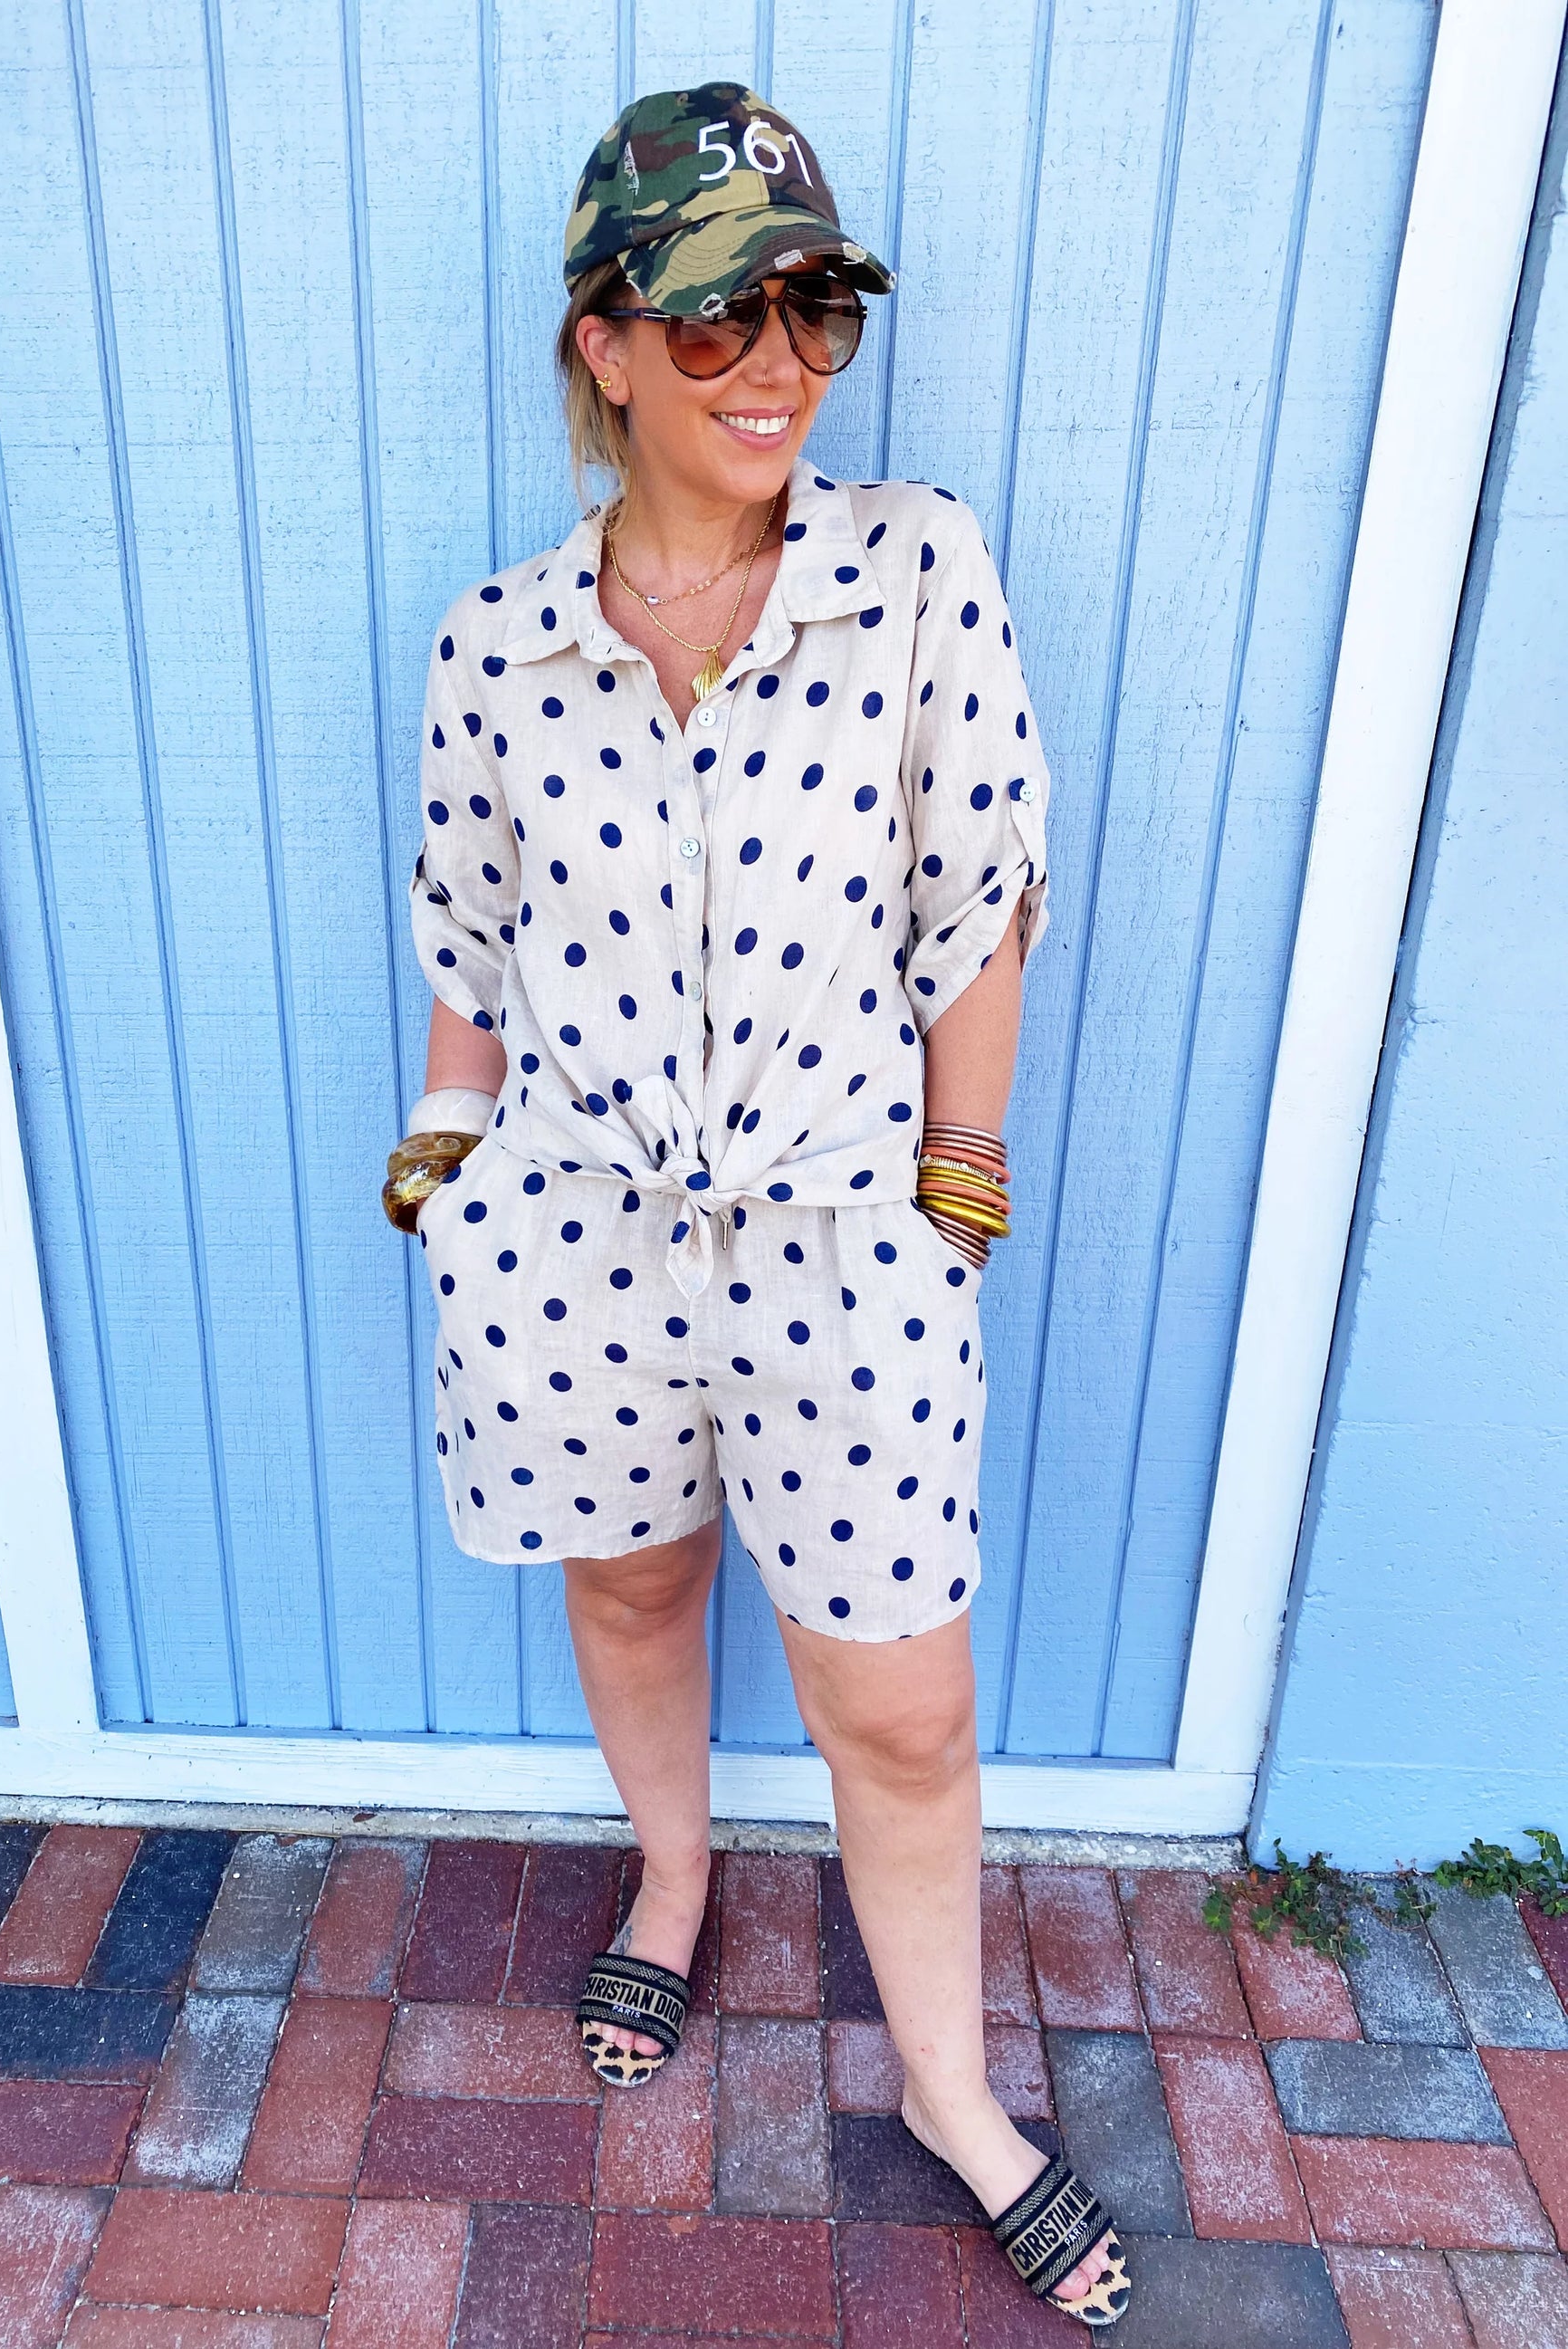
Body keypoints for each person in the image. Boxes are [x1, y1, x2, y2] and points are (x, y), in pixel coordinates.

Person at [387, 82, 1130, 2330]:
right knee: (633, 1593)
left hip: (844, 1240)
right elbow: (470, 937)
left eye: (813, 311)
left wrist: (953, 1197)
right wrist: (444, 1167)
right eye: (717, 320)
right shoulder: (496, 643)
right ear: (606, 345)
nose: (777, 365)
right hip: (574, 1237)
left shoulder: (913, 572)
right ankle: (673, 1879)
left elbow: (980, 890)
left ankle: (948, 2090)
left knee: (897, 1709)